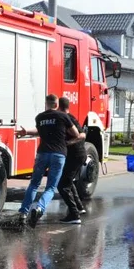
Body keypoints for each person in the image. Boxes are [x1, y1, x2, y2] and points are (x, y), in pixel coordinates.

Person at [19, 94, 81, 227]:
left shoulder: (40, 117)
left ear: (46, 104)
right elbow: (76, 133)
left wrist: (26, 132)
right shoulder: (63, 116)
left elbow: (39, 131)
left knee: (34, 184)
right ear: (56, 105)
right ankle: (39, 208)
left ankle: (23, 213)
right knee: (51, 187)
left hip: (42, 154)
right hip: (58, 154)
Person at [56, 97, 87, 225]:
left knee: (62, 185)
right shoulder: (71, 117)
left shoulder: (66, 119)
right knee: (69, 181)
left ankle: (74, 215)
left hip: (75, 155)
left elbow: (81, 135)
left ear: (59, 107)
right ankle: (79, 207)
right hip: (77, 155)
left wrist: (68, 143)